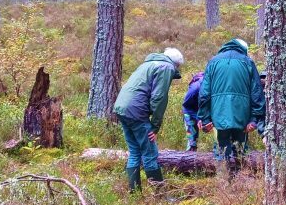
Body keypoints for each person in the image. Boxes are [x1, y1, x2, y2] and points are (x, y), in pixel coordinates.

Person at [113, 47, 185, 192]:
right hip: (136, 111)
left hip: (121, 108)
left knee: (134, 152)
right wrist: (154, 126)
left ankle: (135, 193)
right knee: (150, 154)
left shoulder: (148, 64)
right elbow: (159, 97)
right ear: (175, 64)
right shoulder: (166, 67)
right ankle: (160, 196)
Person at [198, 38, 265, 177]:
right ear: (243, 49)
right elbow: (257, 93)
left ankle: (224, 185)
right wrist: (254, 119)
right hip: (243, 117)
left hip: (218, 117)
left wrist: (205, 119)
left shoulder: (213, 62)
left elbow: (204, 93)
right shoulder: (248, 62)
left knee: (221, 151)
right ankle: (242, 182)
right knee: (241, 150)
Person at [181, 71, 205, 151]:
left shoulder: (214, 86)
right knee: (192, 138)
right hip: (189, 112)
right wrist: (198, 118)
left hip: (199, 110)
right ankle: (189, 158)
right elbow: (186, 105)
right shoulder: (195, 88)